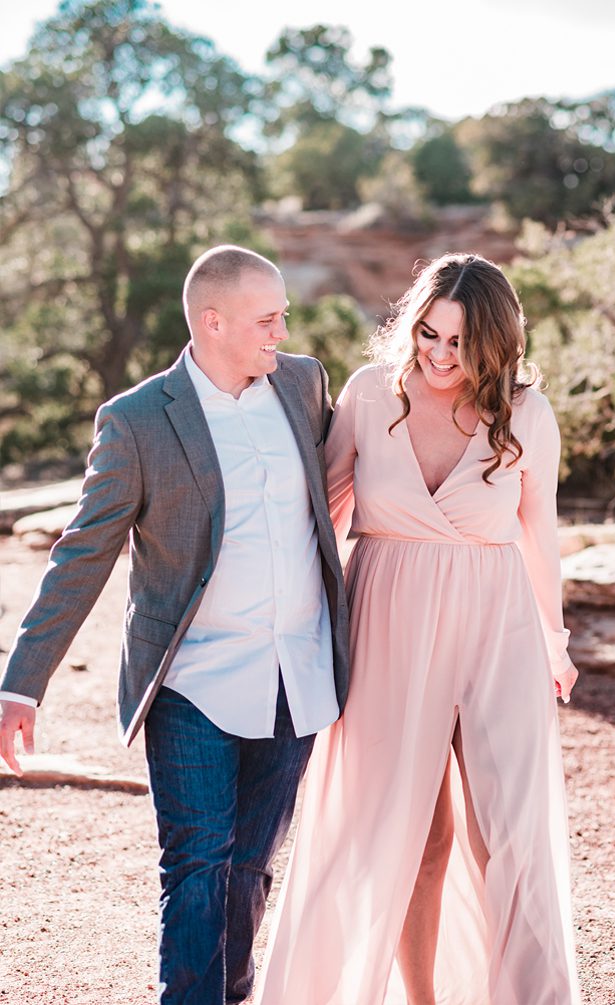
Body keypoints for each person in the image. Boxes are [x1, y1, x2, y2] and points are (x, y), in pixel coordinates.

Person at [0, 245, 350, 1005]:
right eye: (268, 317)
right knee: (196, 863)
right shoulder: (135, 422)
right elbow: (82, 554)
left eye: (283, 314)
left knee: (249, 865)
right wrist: (21, 684)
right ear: (212, 322)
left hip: (299, 671)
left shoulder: (303, 382)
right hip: (192, 677)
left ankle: (229, 991)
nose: (282, 329)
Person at [257, 253, 580, 1005]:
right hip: (389, 623)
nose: (438, 353)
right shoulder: (372, 395)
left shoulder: (526, 413)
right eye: (428, 332)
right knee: (408, 832)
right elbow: (320, 519)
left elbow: (542, 533)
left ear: (494, 344)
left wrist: (555, 641)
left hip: (499, 627)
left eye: (459, 343)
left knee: (506, 830)